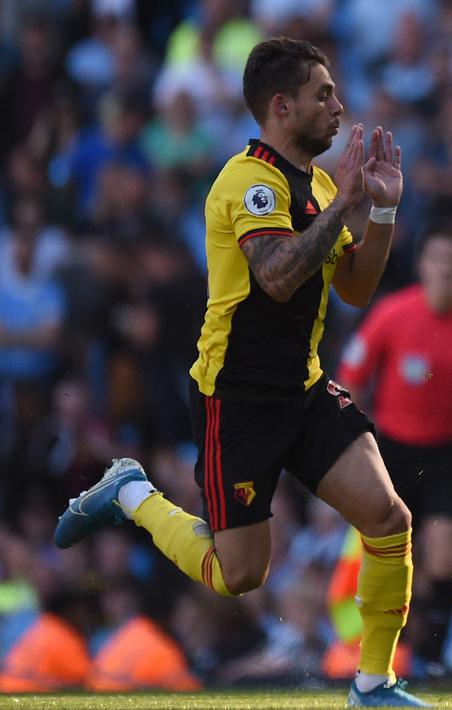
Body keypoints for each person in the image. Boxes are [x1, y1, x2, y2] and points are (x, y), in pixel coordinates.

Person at [52, 37, 430, 707]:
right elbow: (278, 276)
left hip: (304, 387)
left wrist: (383, 210)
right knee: (240, 576)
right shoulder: (245, 181)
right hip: (238, 399)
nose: (338, 107)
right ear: (281, 108)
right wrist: (346, 203)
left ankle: (374, 684)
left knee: (387, 515)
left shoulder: (317, 183)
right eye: (323, 95)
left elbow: (354, 288)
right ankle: (132, 493)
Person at [337, 230, 452, 677]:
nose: (446, 268)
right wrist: (354, 435)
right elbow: (351, 377)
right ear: (423, 266)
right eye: (438, 258)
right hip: (392, 451)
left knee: (444, 555)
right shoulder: (391, 315)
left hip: (449, 454)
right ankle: (376, 655)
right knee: (389, 556)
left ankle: (432, 659)